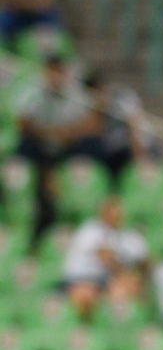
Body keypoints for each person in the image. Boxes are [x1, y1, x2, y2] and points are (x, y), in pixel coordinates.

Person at [14, 55, 93, 249]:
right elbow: (21, 122)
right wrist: (45, 132)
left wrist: (68, 132)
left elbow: (90, 122)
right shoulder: (33, 90)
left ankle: (73, 196)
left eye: (60, 72)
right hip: (40, 146)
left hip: (66, 146)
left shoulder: (74, 93)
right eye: (52, 72)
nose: (56, 78)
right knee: (23, 146)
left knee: (90, 146)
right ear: (45, 73)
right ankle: (36, 186)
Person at [61, 196, 149, 319]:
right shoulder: (91, 230)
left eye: (117, 211)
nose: (114, 215)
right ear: (102, 213)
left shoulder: (123, 234)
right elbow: (107, 258)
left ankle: (137, 323)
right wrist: (126, 274)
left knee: (129, 287)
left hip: (101, 281)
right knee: (87, 296)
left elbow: (145, 261)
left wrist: (136, 273)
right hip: (79, 280)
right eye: (110, 211)